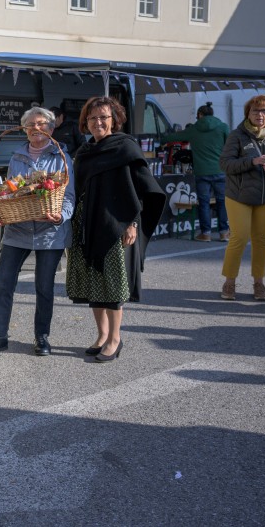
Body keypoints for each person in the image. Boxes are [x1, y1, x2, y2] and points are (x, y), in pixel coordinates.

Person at [65, 96, 165, 362]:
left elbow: (144, 189)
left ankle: (115, 339)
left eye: (104, 117)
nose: (98, 122)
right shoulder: (84, 152)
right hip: (86, 223)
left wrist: (132, 222)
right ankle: (101, 335)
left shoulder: (126, 147)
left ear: (114, 120)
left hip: (116, 223)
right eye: (93, 118)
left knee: (113, 282)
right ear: (85, 122)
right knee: (93, 281)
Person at [0, 107, 75, 357]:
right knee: (3, 284)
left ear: (51, 129)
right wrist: (0, 212)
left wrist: (60, 216)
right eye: (30, 124)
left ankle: (42, 337)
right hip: (17, 229)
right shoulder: (17, 157)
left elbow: (69, 197)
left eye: (41, 124)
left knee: (44, 287)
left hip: (49, 232)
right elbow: (9, 194)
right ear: (24, 129)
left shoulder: (62, 157)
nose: (36, 128)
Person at [218, 95, 265, 301]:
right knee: (239, 238)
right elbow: (225, 164)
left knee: (261, 241)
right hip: (238, 196)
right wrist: (253, 161)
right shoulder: (237, 135)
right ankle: (229, 281)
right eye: (255, 111)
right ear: (248, 114)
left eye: (264, 111)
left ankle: (259, 283)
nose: (260, 115)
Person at [160, 103, 231, 242]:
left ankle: (206, 233)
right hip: (220, 170)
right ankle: (224, 233)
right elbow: (231, 145)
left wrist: (162, 139)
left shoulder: (193, 129)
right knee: (222, 202)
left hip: (202, 172)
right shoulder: (223, 127)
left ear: (199, 115)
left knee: (203, 203)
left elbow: (174, 137)